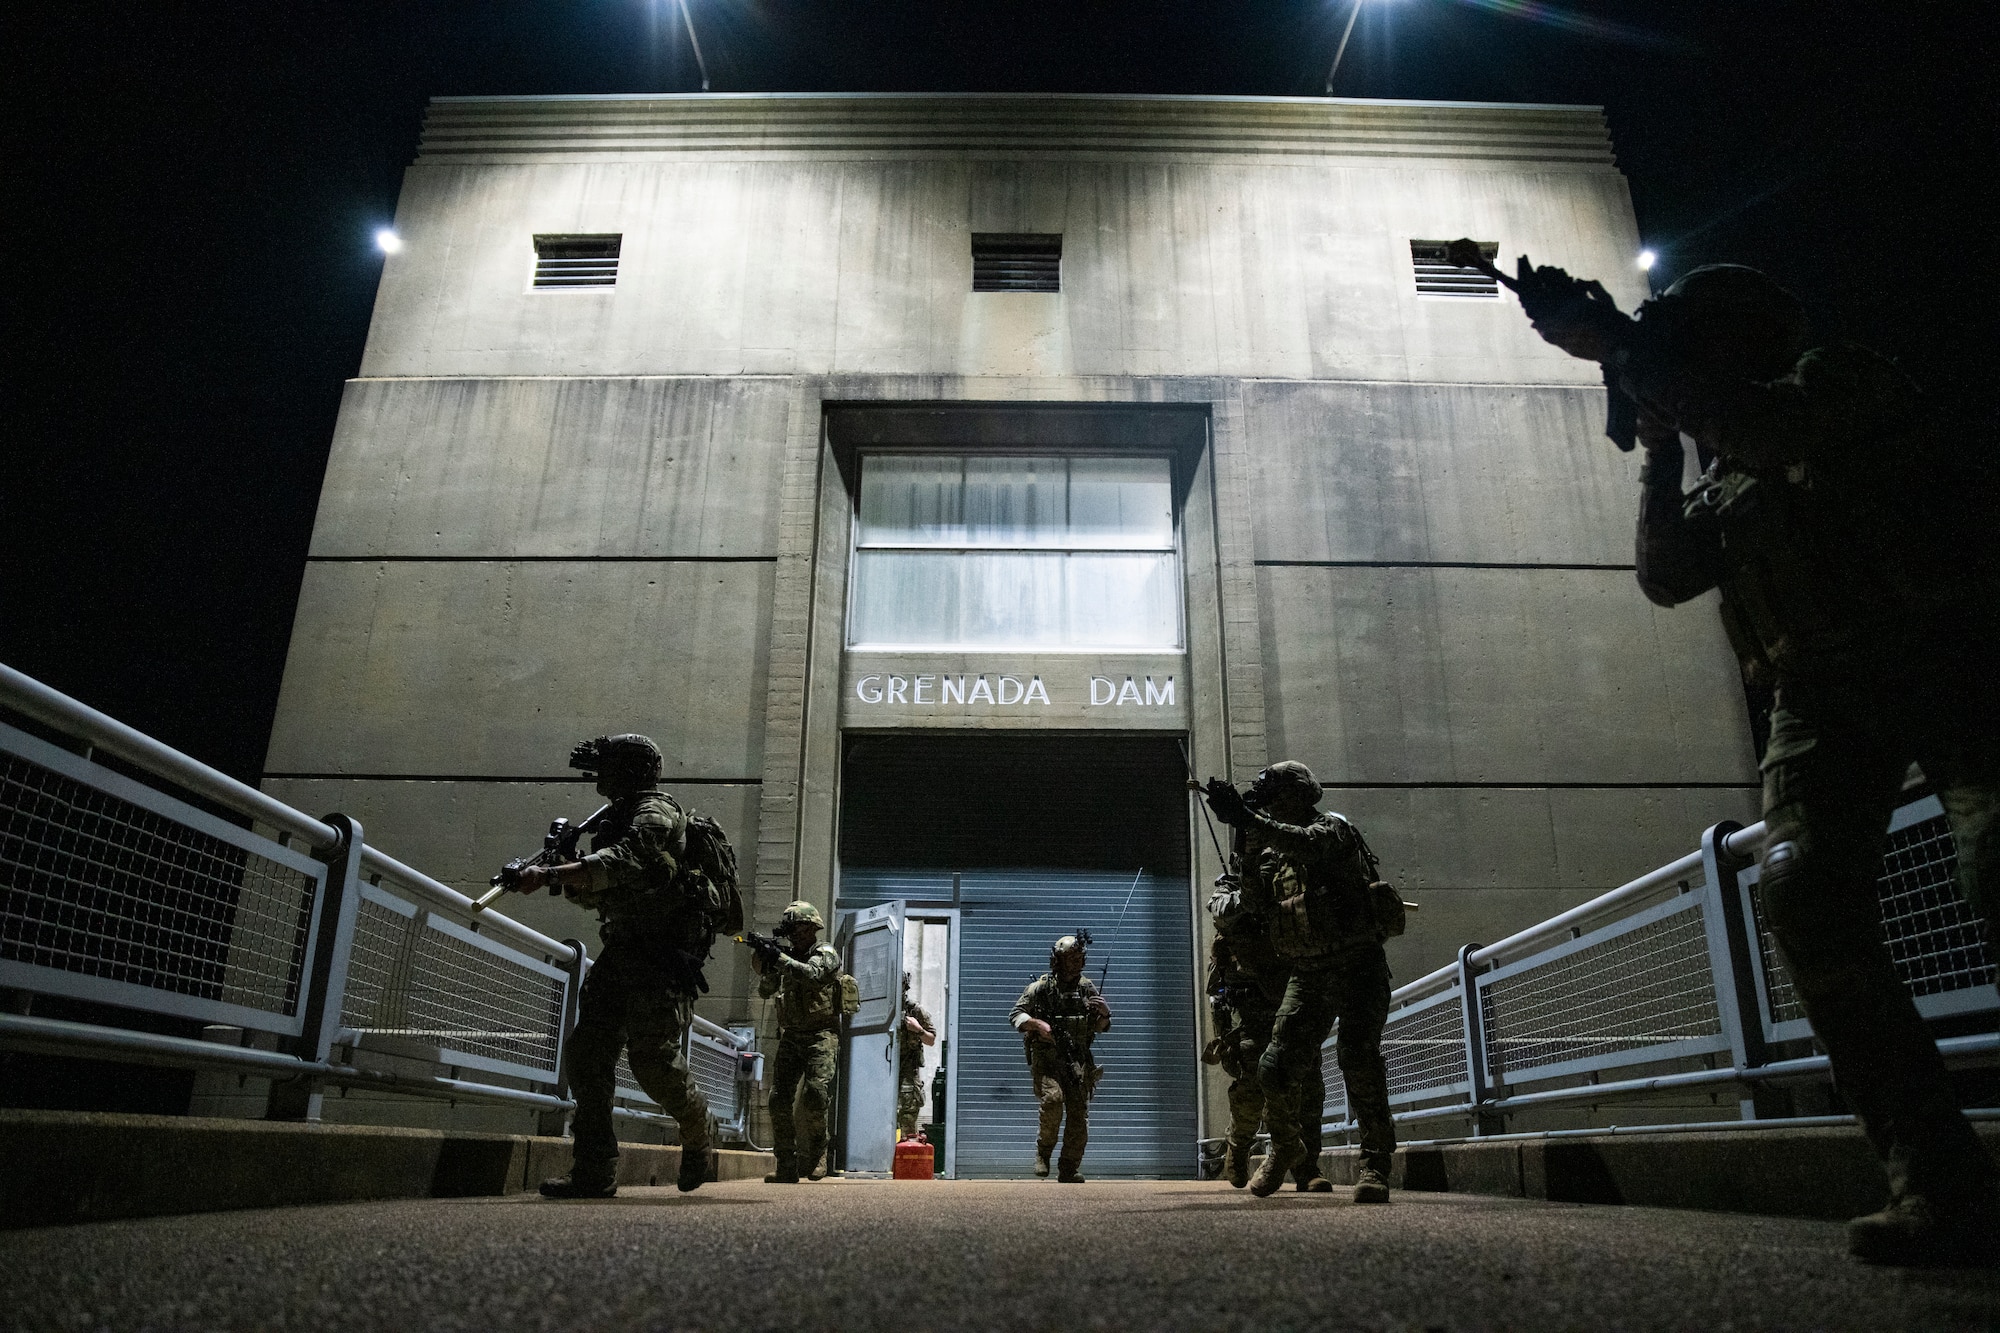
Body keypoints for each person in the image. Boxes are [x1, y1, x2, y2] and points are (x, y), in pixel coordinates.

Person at [1505, 254, 1999, 1266]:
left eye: (1690, 332)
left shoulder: (1832, 379)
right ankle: (1934, 1181)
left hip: (1950, 655)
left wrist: (1632, 353)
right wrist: (1653, 449)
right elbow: (1665, 577)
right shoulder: (1718, 457)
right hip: (1819, 694)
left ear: (1740, 334)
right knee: (1803, 892)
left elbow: (1772, 432)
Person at [506, 733, 713, 1198]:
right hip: (621, 952)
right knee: (587, 1055)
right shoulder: (614, 817)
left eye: (607, 768)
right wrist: (566, 871)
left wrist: (552, 875)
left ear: (629, 771)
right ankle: (594, 1168)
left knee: (653, 1061)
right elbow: (605, 893)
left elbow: (629, 859)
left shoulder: (654, 813)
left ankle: (698, 1126)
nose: (599, 777)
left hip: (661, 958)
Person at [1201, 762, 1395, 1202]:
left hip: (1359, 964)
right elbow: (1250, 901)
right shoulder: (1271, 847)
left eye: (1281, 797)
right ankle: (1288, 1148)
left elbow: (1308, 845)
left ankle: (1375, 1165)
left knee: (1357, 1060)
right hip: (1309, 971)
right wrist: (1247, 844)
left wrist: (1249, 819)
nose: (1276, 806)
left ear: (1303, 795)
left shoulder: (1334, 830)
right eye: (1271, 800)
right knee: (1275, 1067)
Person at [1206, 876, 1331, 1193]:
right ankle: (1238, 1145)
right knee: (1250, 1095)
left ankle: (1307, 1169)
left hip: (1292, 1003)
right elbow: (1219, 910)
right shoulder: (1231, 888)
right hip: (1251, 1016)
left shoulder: (1289, 880)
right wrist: (1252, 898)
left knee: (1307, 1089)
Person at [1010, 934, 1112, 1182]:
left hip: (1077, 1062)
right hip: (1048, 1061)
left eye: (1079, 958)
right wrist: (1036, 1024)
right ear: (1058, 960)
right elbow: (1016, 1015)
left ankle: (1069, 1167)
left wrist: (1106, 1014)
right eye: (1070, 958)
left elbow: (1099, 1027)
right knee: (1054, 1100)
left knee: (1079, 1116)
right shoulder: (1041, 988)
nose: (1076, 963)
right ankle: (1043, 1153)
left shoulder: (1086, 988)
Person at [754, 900, 843, 1184]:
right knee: (778, 1098)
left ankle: (818, 1156)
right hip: (792, 1035)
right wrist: (768, 962)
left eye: (800, 927)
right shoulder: (787, 956)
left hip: (822, 1034)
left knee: (815, 1096)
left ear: (813, 927)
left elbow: (814, 975)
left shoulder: (825, 952)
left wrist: (780, 960)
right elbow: (766, 990)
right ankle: (786, 1164)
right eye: (791, 929)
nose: (795, 933)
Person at [898, 974, 938, 1140]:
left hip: (907, 1075)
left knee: (907, 1131)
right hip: (883, 1075)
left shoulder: (914, 1009)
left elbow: (931, 1040)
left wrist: (918, 1029)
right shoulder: (881, 1008)